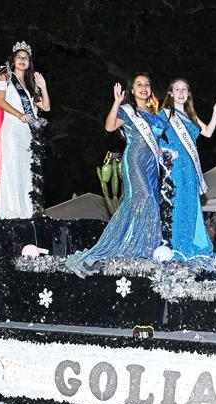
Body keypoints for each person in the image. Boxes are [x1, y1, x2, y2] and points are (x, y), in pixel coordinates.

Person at [66, 74, 165, 278]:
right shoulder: (128, 111)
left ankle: (146, 246)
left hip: (152, 166)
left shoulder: (156, 114)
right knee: (142, 199)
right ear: (132, 90)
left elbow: (159, 141)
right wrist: (117, 102)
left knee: (151, 202)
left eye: (147, 85)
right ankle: (128, 246)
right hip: (135, 162)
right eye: (139, 85)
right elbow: (109, 126)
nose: (144, 88)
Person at [0, 41, 50, 219]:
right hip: (12, 129)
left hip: (27, 134)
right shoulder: (5, 77)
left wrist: (43, 87)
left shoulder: (30, 85)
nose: (23, 60)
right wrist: (20, 114)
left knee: (26, 170)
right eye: (19, 57)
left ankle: (28, 211)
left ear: (29, 63)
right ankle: (10, 212)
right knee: (12, 168)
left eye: (26, 58)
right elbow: (0, 101)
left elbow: (46, 107)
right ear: (13, 60)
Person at [158, 79, 216, 258]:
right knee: (178, 203)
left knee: (191, 205)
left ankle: (190, 244)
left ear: (188, 93)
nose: (181, 92)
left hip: (191, 168)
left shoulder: (191, 116)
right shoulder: (164, 114)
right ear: (170, 93)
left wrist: (215, 113)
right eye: (177, 89)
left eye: (184, 89)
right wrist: (166, 151)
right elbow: (153, 138)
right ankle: (177, 245)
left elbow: (208, 133)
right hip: (175, 166)